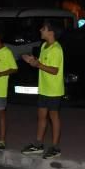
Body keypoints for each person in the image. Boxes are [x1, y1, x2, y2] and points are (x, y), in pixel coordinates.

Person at [20, 20, 64, 159]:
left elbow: (54, 70)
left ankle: (56, 147)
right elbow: (44, 63)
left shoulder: (56, 49)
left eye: (43, 28)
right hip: (44, 88)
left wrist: (37, 64)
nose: (40, 30)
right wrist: (33, 60)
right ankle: (38, 145)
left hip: (54, 90)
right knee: (41, 116)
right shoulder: (45, 45)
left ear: (51, 32)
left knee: (54, 117)